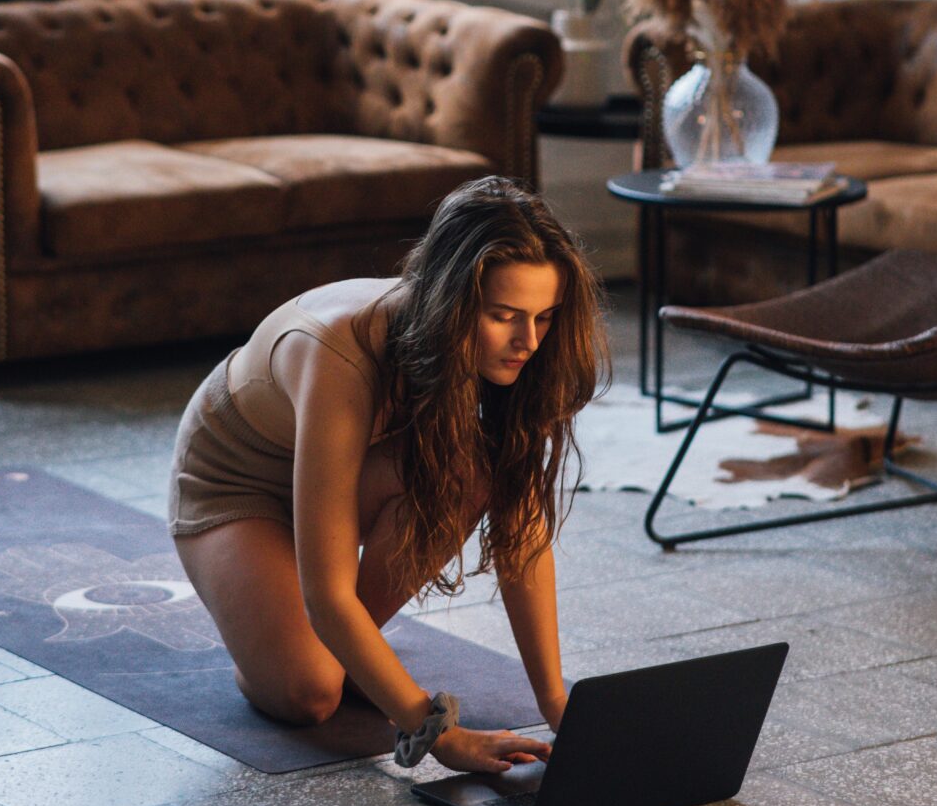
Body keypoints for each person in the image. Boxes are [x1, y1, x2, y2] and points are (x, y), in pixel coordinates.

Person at [168, 175, 609, 774]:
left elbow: (522, 534)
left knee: (476, 473)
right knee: (310, 693)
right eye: (504, 315)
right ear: (449, 302)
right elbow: (327, 593)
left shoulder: (496, 345)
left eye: (545, 316)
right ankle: (279, 644)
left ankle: (343, 653)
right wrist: (441, 737)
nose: (527, 340)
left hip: (343, 467)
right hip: (236, 484)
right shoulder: (337, 353)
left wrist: (558, 702)